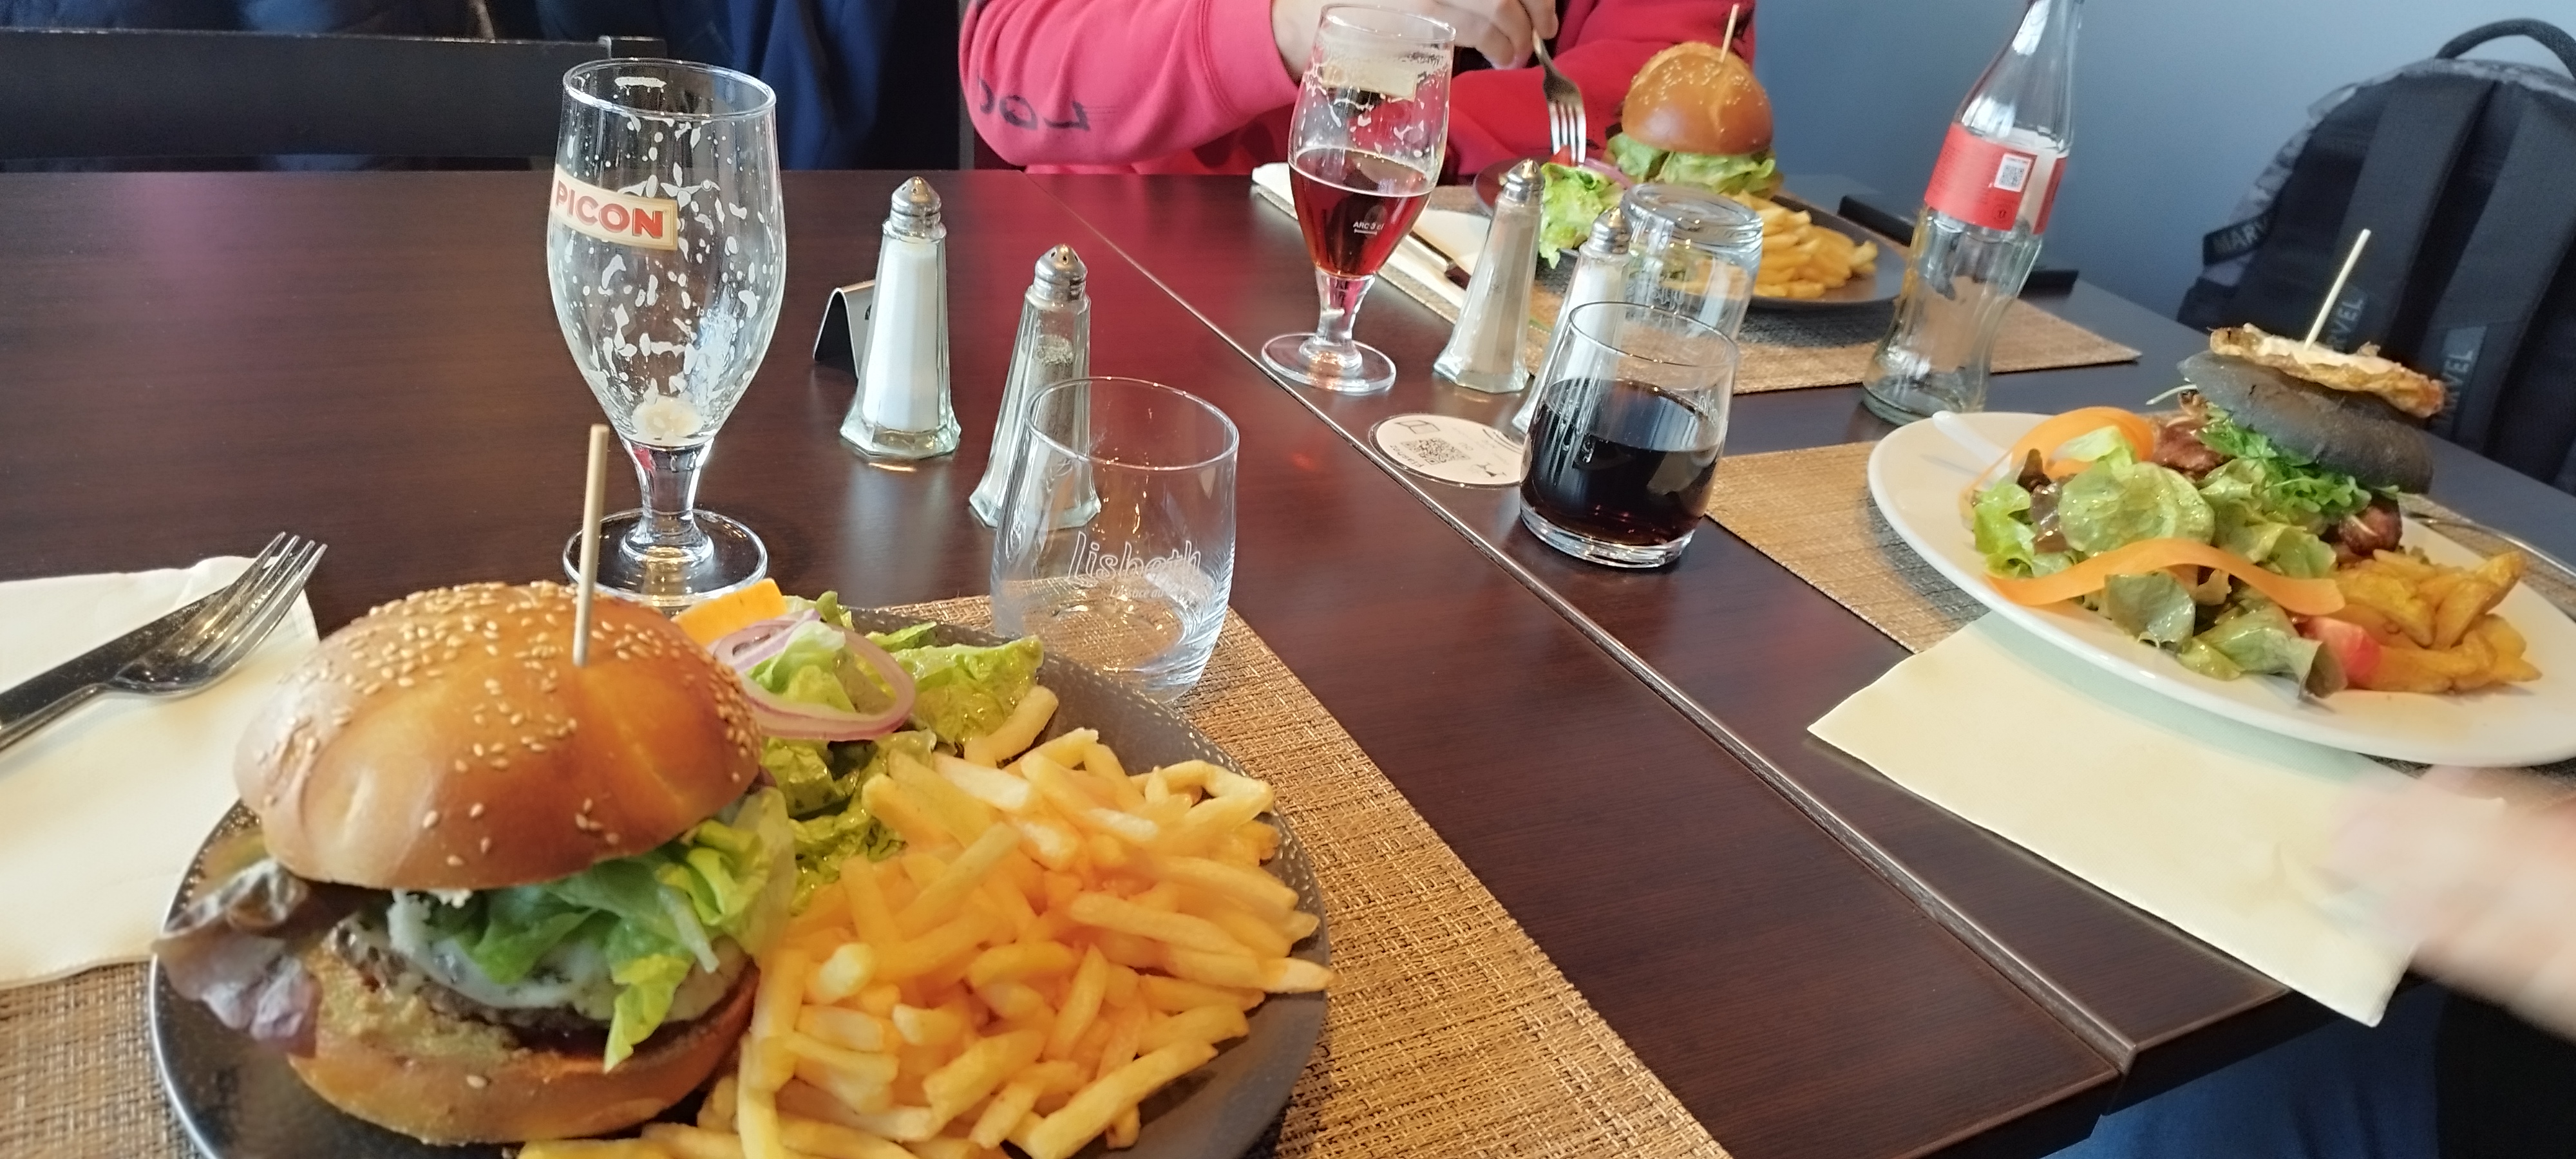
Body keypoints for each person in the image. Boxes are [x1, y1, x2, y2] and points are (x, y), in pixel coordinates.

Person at [960, 0, 1754, 176]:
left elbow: (1677, 76)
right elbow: (1010, 72)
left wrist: (1393, 136)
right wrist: (1290, 24)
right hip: (1140, 290)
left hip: (1483, 324)